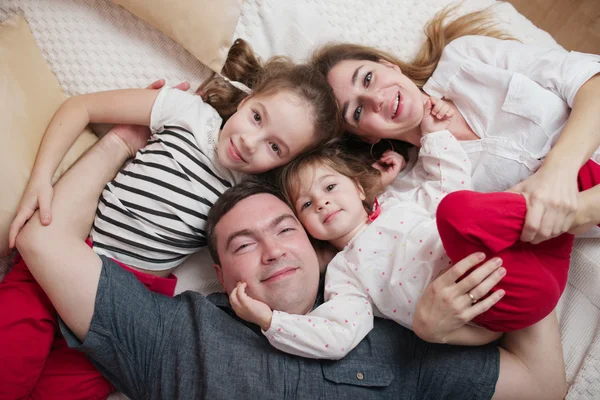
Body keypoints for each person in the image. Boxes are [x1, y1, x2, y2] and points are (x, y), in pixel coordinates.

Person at [14, 130, 566, 399]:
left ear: (316, 244)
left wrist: (459, 322)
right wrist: (119, 141)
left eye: (285, 228)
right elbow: (43, 241)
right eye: (242, 245)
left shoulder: (394, 328)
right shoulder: (174, 333)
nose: (274, 249)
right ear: (221, 277)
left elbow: (542, 386)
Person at [0, 38, 342, 399]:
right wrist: (41, 178)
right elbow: (80, 108)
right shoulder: (186, 112)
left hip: (130, 299)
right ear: (245, 100)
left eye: (274, 147)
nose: (249, 142)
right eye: (256, 117)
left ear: (282, 164)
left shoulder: (252, 192)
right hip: (64, 255)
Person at [227, 106, 599, 361]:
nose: (321, 203)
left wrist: (433, 135)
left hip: (537, 252)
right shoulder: (344, 273)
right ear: (306, 229)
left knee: (574, 176)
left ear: (359, 189)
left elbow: (449, 179)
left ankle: (583, 206)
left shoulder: (397, 202)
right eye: (306, 206)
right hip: (502, 296)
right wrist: (271, 321)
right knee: (457, 211)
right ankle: (574, 210)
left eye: (328, 188)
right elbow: (337, 335)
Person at [309, 5, 600, 244]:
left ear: (389, 65)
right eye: (357, 112)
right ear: (366, 137)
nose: (376, 99)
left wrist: (556, 173)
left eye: (368, 78)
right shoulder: (420, 187)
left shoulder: (465, 58)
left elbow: (591, 80)